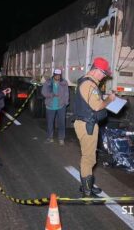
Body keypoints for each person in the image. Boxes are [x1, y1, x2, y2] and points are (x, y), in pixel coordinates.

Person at [74, 57, 115, 197]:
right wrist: (109, 99)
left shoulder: (88, 83)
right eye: (103, 73)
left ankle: (87, 185)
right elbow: (97, 106)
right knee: (88, 158)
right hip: (87, 125)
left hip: (87, 123)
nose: (104, 76)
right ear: (96, 70)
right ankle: (87, 190)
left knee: (89, 156)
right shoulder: (88, 85)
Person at [41, 69, 69, 145]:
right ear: (53, 74)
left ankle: (61, 138)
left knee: (62, 123)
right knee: (50, 123)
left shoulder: (64, 82)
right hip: (50, 106)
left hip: (61, 106)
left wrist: (66, 103)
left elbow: (66, 93)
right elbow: (43, 92)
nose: (58, 76)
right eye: (56, 75)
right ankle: (50, 138)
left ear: (61, 75)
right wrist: (51, 95)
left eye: (59, 75)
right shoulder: (48, 82)